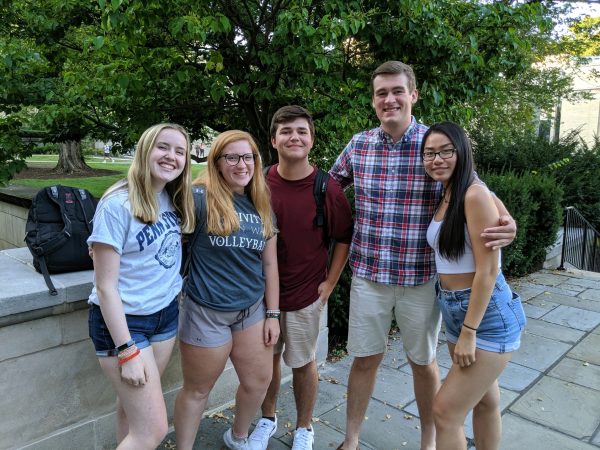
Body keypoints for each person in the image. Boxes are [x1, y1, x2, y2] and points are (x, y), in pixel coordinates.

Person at [329, 61, 517, 450]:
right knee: (364, 360)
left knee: (423, 363)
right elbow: (327, 191)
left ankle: (429, 442)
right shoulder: (358, 145)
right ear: (373, 100)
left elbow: (473, 186)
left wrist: (505, 218)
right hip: (369, 275)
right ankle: (350, 439)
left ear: (413, 95)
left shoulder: (432, 146)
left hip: (421, 282)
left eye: (398, 91)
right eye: (381, 93)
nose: (389, 99)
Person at [248, 106, 353, 450]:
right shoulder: (257, 182)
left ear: (311, 139)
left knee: (303, 364)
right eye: (286, 131)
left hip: (306, 293)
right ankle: (267, 418)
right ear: (274, 139)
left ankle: (304, 428)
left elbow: (343, 237)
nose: (294, 137)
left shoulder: (327, 187)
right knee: (268, 363)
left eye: (302, 131)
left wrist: (330, 283)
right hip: (260, 296)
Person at [87, 123, 195, 449]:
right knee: (153, 430)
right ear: (146, 150)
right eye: (163, 147)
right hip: (126, 325)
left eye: (180, 151)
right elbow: (105, 287)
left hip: (163, 318)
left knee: (131, 415)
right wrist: (127, 350)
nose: (171, 156)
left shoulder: (172, 198)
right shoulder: (117, 205)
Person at [422, 121, 526, 449]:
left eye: (445, 151)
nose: (437, 159)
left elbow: (488, 271)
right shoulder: (451, 191)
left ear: (462, 151)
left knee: (444, 412)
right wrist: (508, 219)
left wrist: (469, 331)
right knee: (484, 401)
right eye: (429, 153)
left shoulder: (473, 193)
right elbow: (498, 209)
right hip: (455, 308)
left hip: (485, 317)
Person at [174, 130, 280, 450]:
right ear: (217, 162)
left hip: (251, 310)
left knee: (258, 382)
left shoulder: (261, 205)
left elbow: (270, 266)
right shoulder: (198, 198)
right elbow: (153, 208)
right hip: (206, 311)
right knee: (198, 391)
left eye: (247, 157)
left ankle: (237, 437)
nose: (241, 164)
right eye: (231, 157)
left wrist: (273, 314)